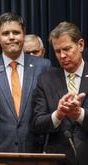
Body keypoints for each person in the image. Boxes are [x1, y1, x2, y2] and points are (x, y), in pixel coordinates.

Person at [0, 12, 51, 153]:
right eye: (6, 33)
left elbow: (48, 113)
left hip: (35, 151)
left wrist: (46, 151)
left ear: (24, 35)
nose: (11, 37)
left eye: (16, 32)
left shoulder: (43, 66)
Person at [32, 21, 88, 165]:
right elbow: (37, 123)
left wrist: (79, 114)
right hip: (58, 158)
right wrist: (58, 114)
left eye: (67, 49)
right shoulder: (46, 80)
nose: (62, 56)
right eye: (57, 51)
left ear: (80, 45)